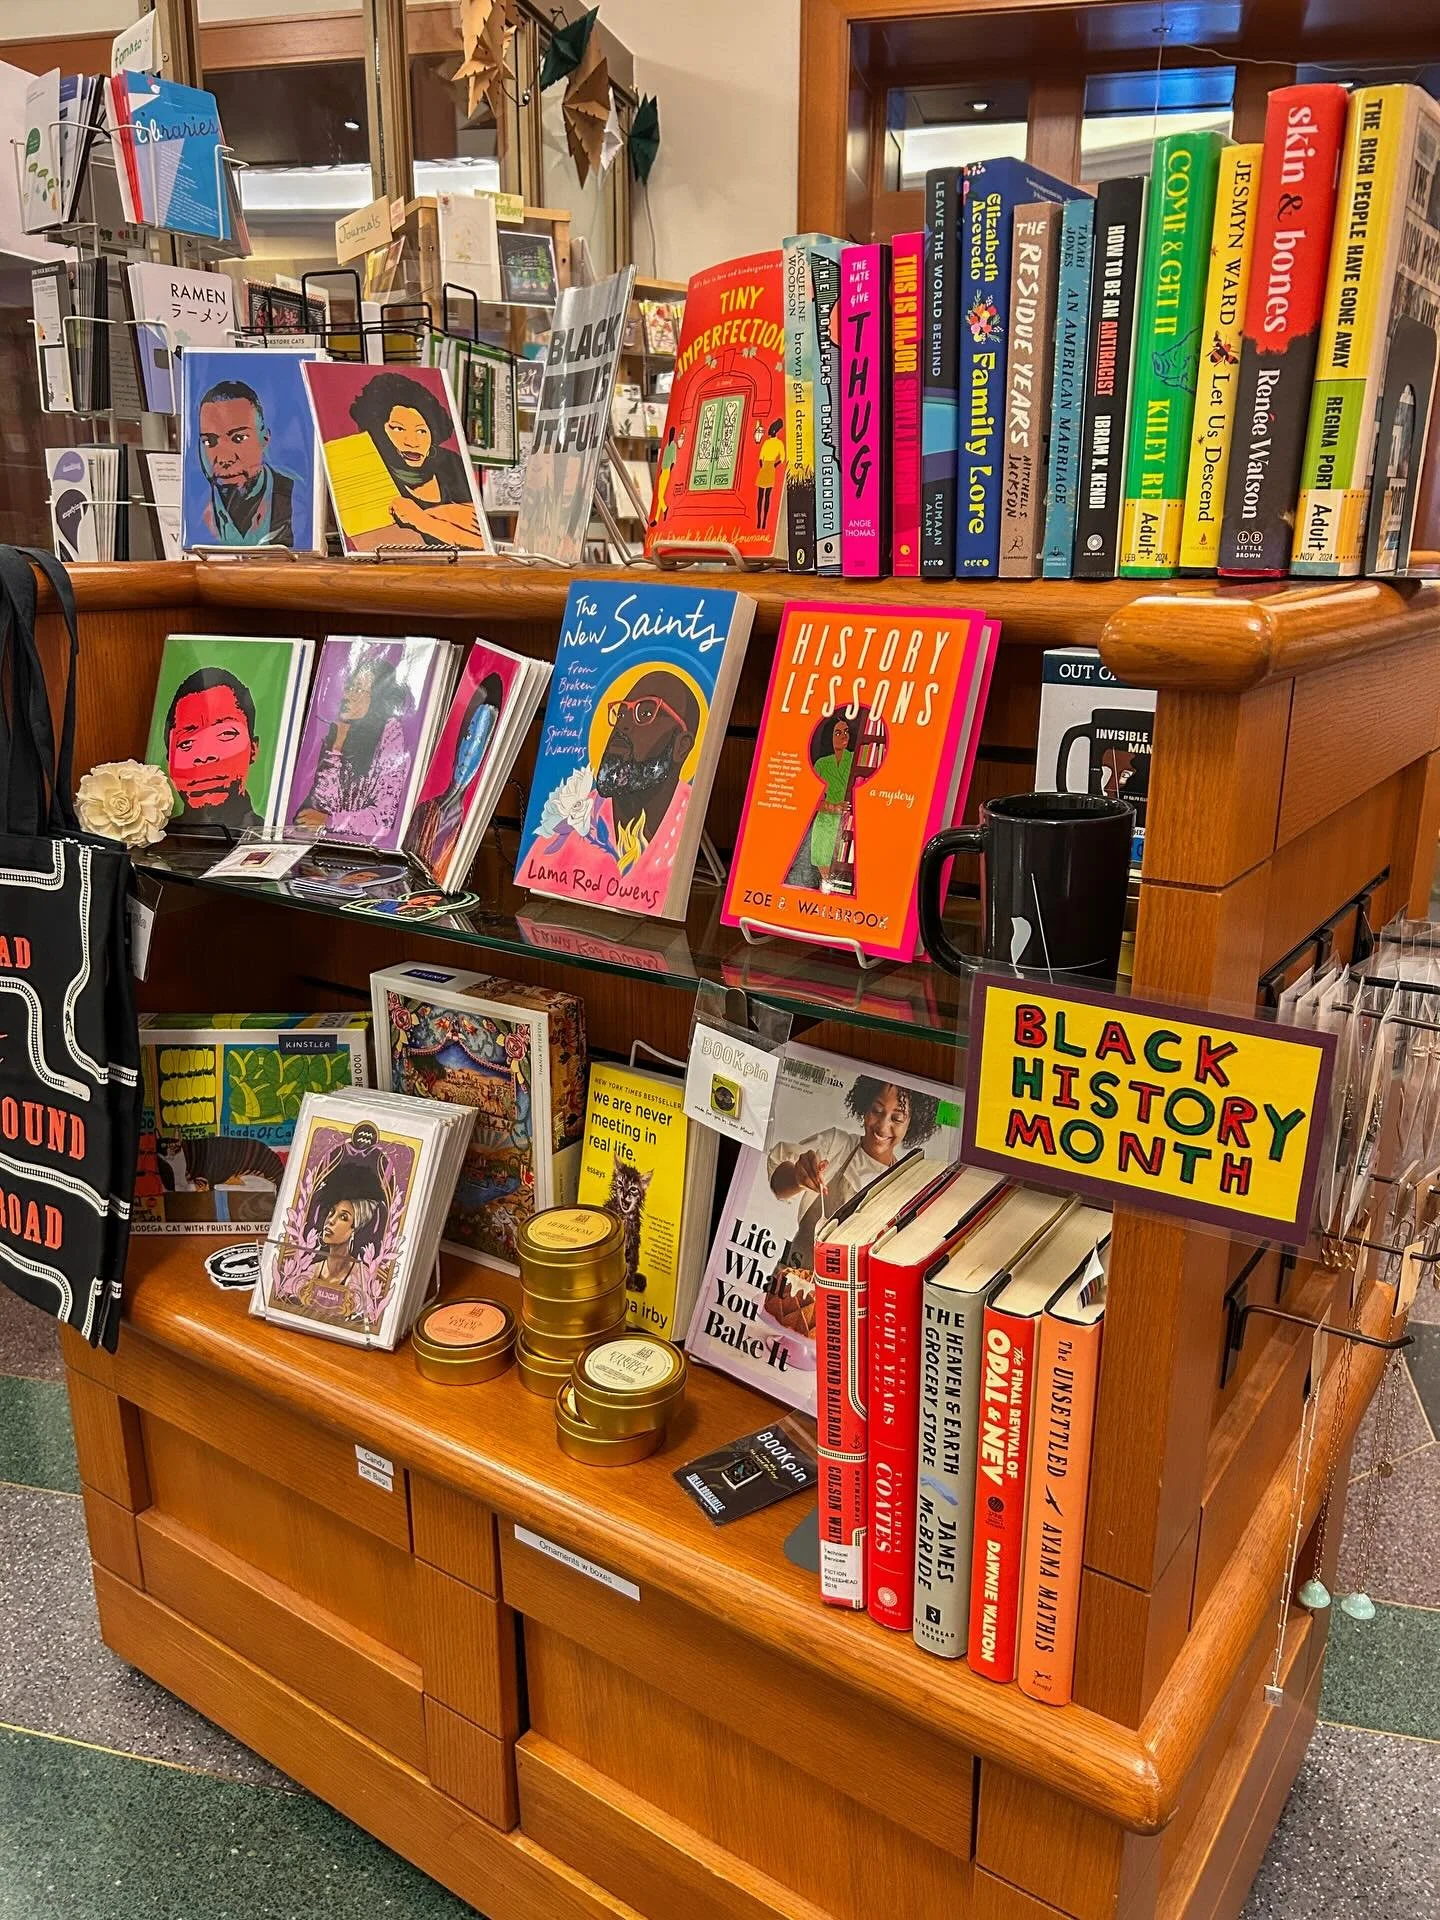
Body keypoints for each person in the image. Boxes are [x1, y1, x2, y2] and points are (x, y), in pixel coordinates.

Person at [521, 669, 701, 908]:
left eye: (645, 712)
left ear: (682, 746)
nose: (623, 725)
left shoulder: (688, 821)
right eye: (622, 713)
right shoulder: (569, 824)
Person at [766, 1076, 942, 1275]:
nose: (883, 1126)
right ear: (865, 1107)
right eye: (877, 1110)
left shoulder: (902, 1181)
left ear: (912, 1123)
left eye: (897, 1119)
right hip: (790, 1288)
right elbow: (778, 1185)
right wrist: (798, 1177)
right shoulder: (836, 1145)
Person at [348, 371, 488, 550]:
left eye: (421, 431)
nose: (412, 442)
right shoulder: (367, 470)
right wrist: (450, 518)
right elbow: (379, 545)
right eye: (398, 429)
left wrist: (421, 520)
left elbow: (480, 542)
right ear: (379, 429)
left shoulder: (450, 462)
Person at [291, 652, 413, 845]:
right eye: (348, 687)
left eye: (357, 690)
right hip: (329, 847)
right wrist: (336, 746)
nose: (346, 696)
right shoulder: (341, 731)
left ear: (377, 698)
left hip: (369, 853)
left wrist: (330, 821)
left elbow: (383, 817)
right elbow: (323, 804)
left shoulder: (391, 733)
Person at [407, 673, 503, 885]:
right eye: (469, 737)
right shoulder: (424, 810)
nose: (470, 752)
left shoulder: (470, 823)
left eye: (480, 741)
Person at [194, 379, 297, 546]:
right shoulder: (192, 515)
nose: (224, 459)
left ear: (265, 438)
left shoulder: (300, 499)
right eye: (209, 442)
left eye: (239, 438)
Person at [163, 666, 262, 833]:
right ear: (169, 760)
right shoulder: (158, 841)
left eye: (226, 734)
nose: (205, 755)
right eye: (186, 744)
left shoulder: (269, 833)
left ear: (253, 749)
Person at [755, 416, 785, 533]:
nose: (772, 432)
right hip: (765, 468)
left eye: (773, 430)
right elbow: (760, 457)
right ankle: (759, 520)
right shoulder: (767, 443)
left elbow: (782, 457)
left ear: (776, 431)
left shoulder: (778, 444)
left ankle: (764, 522)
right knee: (760, 496)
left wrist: (773, 465)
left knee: (766, 496)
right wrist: (764, 465)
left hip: (770, 467)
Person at [655, 427, 679, 521]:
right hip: (663, 470)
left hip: (667, 471)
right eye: (670, 433)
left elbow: (674, 460)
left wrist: (669, 469)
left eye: (672, 433)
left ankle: (665, 509)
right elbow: (663, 460)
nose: (671, 435)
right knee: (659, 495)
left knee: (660, 495)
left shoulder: (673, 446)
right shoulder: (666, 447)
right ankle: (657, 518)